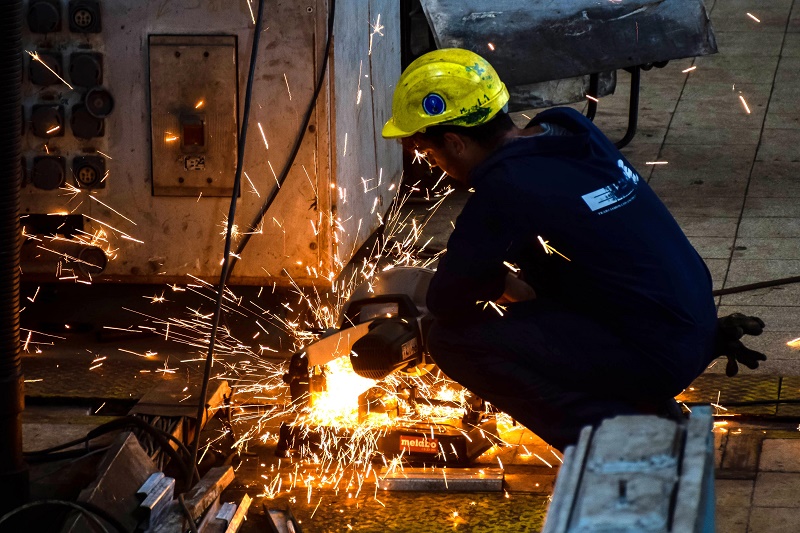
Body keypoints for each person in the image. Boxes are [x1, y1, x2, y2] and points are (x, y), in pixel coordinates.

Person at [382, 48, 766, 451]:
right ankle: (643, 405)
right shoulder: (567, 129)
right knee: (539, 273)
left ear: (455, 142)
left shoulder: (505, 185)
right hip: (693, 324)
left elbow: (447, 300)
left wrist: (500, 285)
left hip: (657, 353)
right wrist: (514, 287)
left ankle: (622, 438)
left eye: (427, 152)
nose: (433, 164)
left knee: (452, 342)